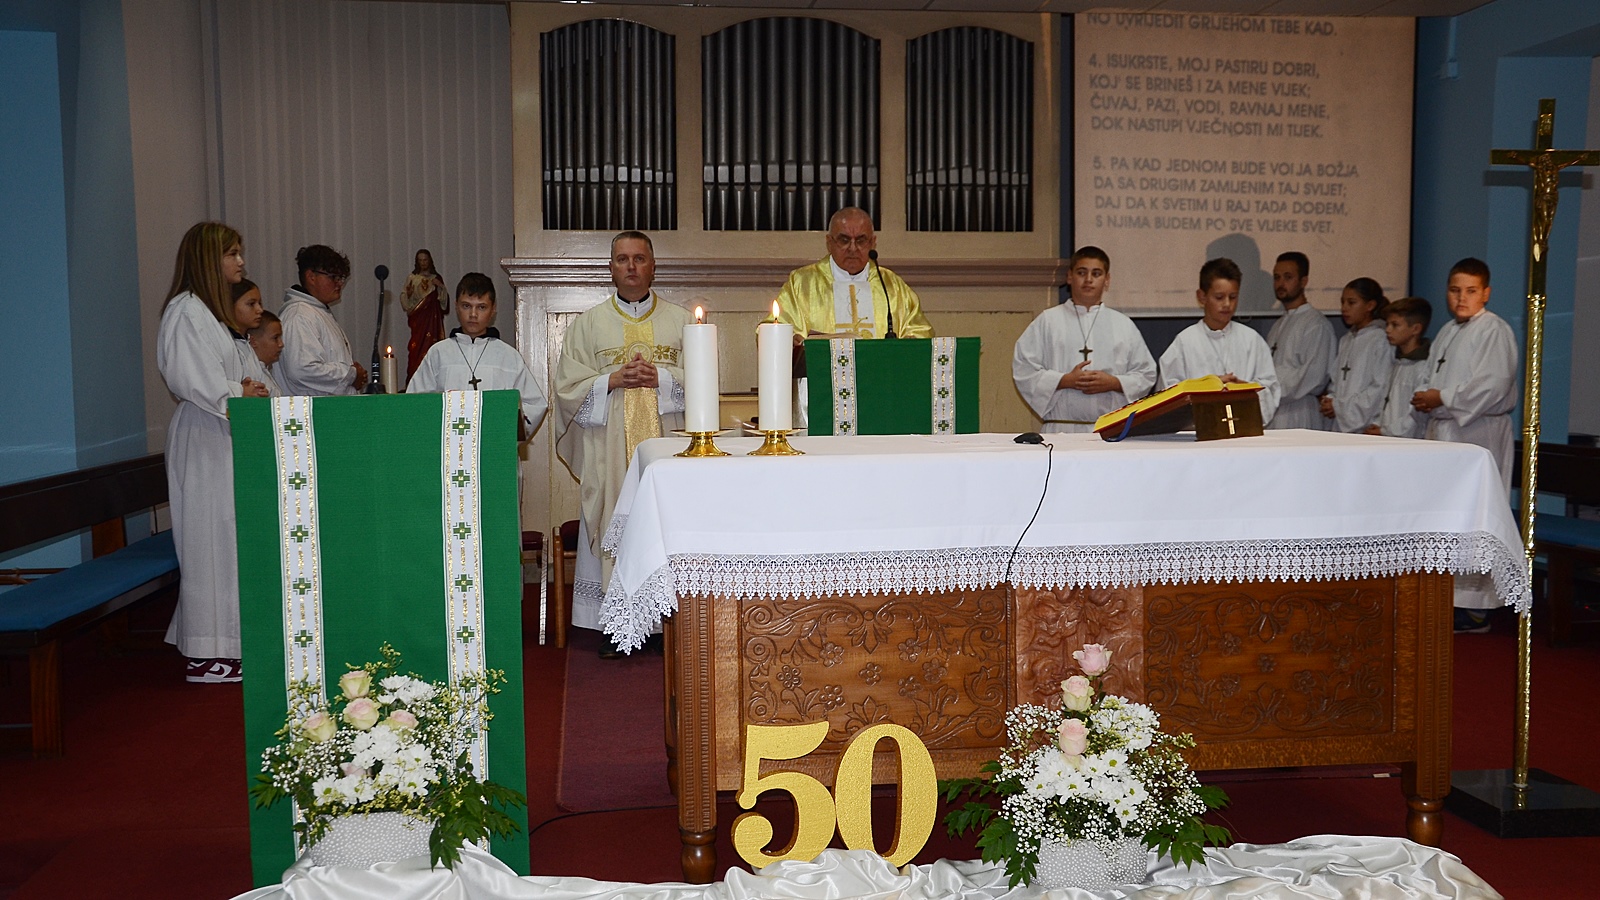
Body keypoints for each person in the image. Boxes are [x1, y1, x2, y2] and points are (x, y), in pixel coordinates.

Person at [553, 231, 689, 656]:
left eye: (640, 258)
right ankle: (616, 624)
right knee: (615, 517)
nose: (631, 267)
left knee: (669, 523)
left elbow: (705, 383)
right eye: (622, 259)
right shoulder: (588, 324)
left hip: (667, 448)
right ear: (611, 267)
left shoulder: (683, 320)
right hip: (608, 451)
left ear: (653, 265)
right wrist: (611, 380)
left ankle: (672, 623)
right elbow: (566, 387)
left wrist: (662, 379)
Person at [156, 222, 270, 684]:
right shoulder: (185, 312)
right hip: (204, 434)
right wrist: (237, 391)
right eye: (233, 254)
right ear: (208, 260)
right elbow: (190, 378)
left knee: (227, 539)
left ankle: (229, 642)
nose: (241, 262)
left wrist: (246, 389)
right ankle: (207, 653)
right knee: (208, 541)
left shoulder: (208, 314)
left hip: (221, 432)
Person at [1411, 258, 1519, 633]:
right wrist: (1424, 395)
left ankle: (1475, 608)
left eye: (1471, 290)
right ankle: (1446, 598)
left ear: (1486, 293)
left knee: (1474, 518)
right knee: (1445, 518)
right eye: (1455, 290)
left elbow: (1493, 385)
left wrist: (1441, 396)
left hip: (1477, 434)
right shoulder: (1446, 332)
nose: (1462, 298)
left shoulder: (1495, 331)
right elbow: (1428, 374)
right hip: (1446, 433)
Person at [1012, 246, 1156, 433]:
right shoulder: (1048, 321)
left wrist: (1114, 383)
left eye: (1096, 274)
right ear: (1070, 277)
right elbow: (1024, 368)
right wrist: (1065, 380)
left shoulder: (1123, 325)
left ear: (1107, 280)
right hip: (1061, 429)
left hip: (1111, 430)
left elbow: (1146, 373)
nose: (1088, 280)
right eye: (1082, 273)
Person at [408, 272, 549, 433]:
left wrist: (508, 434)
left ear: (493, 309)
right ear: (456, 306)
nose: (473, 314)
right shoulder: (439, 353)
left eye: (481, 307)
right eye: (466, 306)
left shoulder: (508, 356)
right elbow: (416, 400)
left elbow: (535, 404)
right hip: (448, 445)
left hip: (494, 444)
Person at [774, 207, 932, 340]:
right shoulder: (802, 283)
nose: (853, 248)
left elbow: (920, 333)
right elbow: (776, 331)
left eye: (861, 240)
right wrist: (793, 341)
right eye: (844, 240)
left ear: (872, 243)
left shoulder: (892, 286)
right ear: (829, 243)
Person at [1158, 257, 1281, 422]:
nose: (1227, 304)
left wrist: (1244, 389)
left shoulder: (1252, 340)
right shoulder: (1185, 342)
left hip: (1243, 432)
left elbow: (1271, 389)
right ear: (1202, 297)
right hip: (1198, 435)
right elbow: (1167, 394)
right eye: (1219, 297)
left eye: (1233, 297)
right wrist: (1209, 386)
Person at [276, 244, 366, 396]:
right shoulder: (299, 315)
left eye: (341, 278)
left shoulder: (316, 312)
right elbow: (302, 369)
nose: (340, 284)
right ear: (311, 277)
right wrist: (351, 374)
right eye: (333, 277)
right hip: (312, 414)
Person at [1264, 251, 1335, 430]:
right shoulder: (1278, 325)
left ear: (1303, 281)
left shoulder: (1315, 324)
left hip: (1299, 412)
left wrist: (1272, 386)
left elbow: (1314, 377)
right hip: (1274, 412)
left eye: (1288, 277)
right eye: (1277, 277)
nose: (1281, 283)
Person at [1321, 278, 1393, 433]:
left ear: (1370, 305)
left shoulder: (1380, 339)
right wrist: (1331, 399)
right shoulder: (1346, 339)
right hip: (1340, 422)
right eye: (1342, 302)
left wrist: (1340, 407)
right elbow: (1337, 379)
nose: (1344, 308)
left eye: (1351, 302)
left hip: (1365, 424)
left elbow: (1379, 387)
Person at [1364, 296, 1432, 439]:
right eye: (1387, 324)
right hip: (1387, 438)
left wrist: (1386, 431)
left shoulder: (1424, 367)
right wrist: (1378, 424)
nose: (1388, 330)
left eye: (1395, 325)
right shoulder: (1396, 362)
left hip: (1408, 443)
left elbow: (1415, 416)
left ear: (1415, 329)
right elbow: (1385, 401)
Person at [401, 249, 450, 380]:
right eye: (420, 260)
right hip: (419, 320)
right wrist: (410, 295)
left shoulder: (436, 278)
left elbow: (443, 301)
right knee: (416, 349)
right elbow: (406, 298)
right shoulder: (412, 278)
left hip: (432, 321)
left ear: (430, 261)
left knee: (432, 348)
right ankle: (414, 377)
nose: (423, 263)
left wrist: (440, 287)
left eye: (425, 260)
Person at [232, 280, 280, 396]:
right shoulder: (225, 344)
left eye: (260, 303)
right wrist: (241, 391)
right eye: (251, 304)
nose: (259, 310)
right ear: (230, 306)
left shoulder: (246, 346)